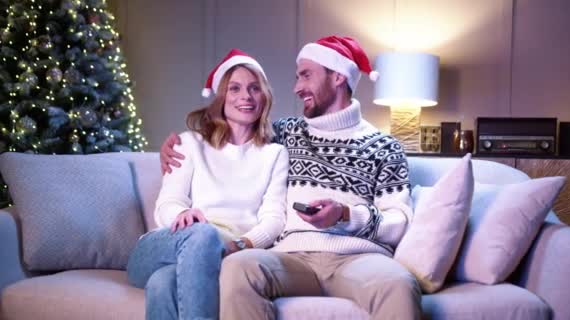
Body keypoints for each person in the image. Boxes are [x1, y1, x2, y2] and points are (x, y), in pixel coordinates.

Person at [161, 36, 422, 320]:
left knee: (399, 285)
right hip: (290, 258)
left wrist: (346, 215)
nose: (297, 87)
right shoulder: (285, 133)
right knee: (238, 269)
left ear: (337, 76)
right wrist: (174, 147)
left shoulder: (384, 146)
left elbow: (399, 222)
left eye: (306, 76)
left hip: (359, 259)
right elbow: (232, 133)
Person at [127, 49, 289, 320]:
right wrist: (182, 215)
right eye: (234, 88)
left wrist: (239, 244)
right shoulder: (189, 143)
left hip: (226, 251)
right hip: (169, 244)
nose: (246, 97)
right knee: (203, 234)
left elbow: (273, 218)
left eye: (254, 88)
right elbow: (168, 203)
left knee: (162, 284)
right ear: (221, 97)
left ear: (265, 97)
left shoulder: (274, 154)